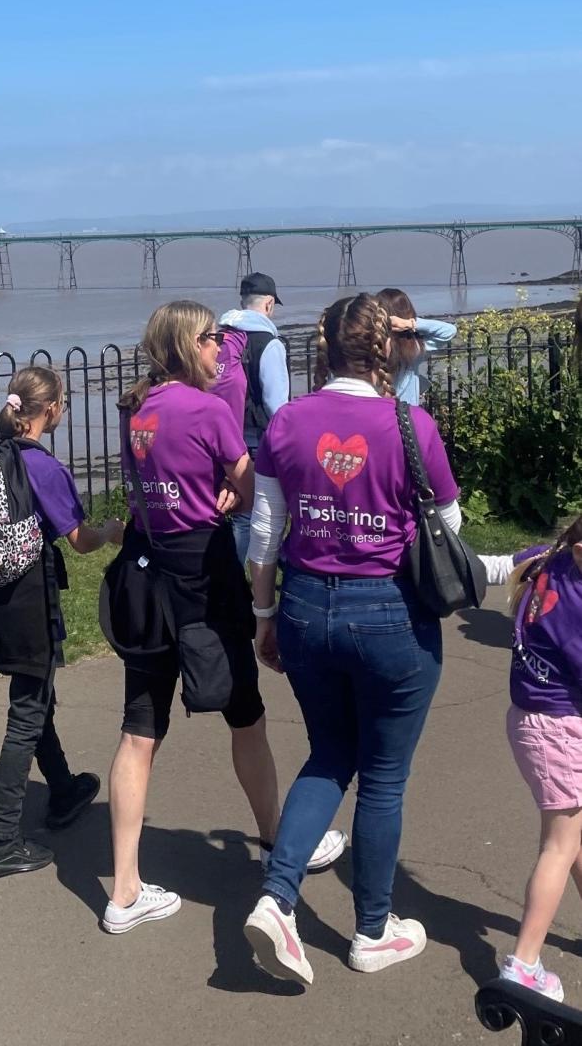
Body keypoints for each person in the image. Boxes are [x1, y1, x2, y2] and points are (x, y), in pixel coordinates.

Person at [102, 300, 344, 934]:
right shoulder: (208, 409)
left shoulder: (135, 409)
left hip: (145, 566)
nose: (220, 350)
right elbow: (249, 478)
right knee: (246, 712)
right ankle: (275, 838)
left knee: (139, 729)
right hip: (203, 572)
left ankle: (123, 889)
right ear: (187, 345)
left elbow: (137, 485)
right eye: (212, 340)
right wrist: (237, 490)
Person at [243, 293, 461, 985]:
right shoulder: (410, 422)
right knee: (383, 778)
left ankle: (277, 899)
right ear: (383, 348)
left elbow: (262, 534)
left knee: (328, 752)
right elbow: (448, 527)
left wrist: (264, 615)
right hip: (391, 614)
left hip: (305, 607)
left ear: (322, 348)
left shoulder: (288, 420)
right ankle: (371, 930)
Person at [0, 367, 122, 879]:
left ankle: (62, 787)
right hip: (31, 598)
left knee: (35, 698)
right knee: (26, 715)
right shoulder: (43, 466)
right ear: (52, 409)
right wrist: (110, 530)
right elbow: (78, 539)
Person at [479, 519, 582, 1002]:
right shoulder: (577, 605)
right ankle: (524, 963)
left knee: (574, 837)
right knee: (558, 847)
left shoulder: (547, 558)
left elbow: (496, 565)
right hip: (559, 730)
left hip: (533, 723)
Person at [215, 273, 290, 563]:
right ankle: (235, 574)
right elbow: (276, 403)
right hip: (253, 439)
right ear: (269, 304)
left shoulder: (220, 336)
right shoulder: (268, 342)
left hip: (218, 433)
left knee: (223, 504)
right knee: (248, 512)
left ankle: (221, 565)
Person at [376, 288, 457, 405]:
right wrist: (410, 323)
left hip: (378, 411)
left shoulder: (372, 344)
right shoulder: (414, 347)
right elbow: (449, 331)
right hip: (408, 414)